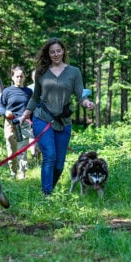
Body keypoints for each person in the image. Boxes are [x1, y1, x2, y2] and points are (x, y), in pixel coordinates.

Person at [19, 37, 94, 195]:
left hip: (63, 122)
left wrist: (86, 103)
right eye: (52, 52)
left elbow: (81, 94)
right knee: (50, 156)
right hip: (42, 118)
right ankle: (46, 194)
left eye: (58, 51)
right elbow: (35, 97)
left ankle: (50, 188)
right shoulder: (41, 72)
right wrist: (24, 114)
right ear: (48, 53)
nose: (56, 54)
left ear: (63, 51)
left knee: (59, 164)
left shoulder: (74, 72)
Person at [0, 66, 33, 179]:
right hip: (10, 123)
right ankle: (13, 171)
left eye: (21, 76)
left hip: (24, 123)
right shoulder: (7, 91)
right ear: (12, 77)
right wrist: (5, 112)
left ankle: (22, 172)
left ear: (24, 77)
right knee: (12, 149)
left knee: (22, 149)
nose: (19, 78)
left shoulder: (29, 92)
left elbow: (33, 106)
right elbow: (0, 106)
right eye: (17, 76)